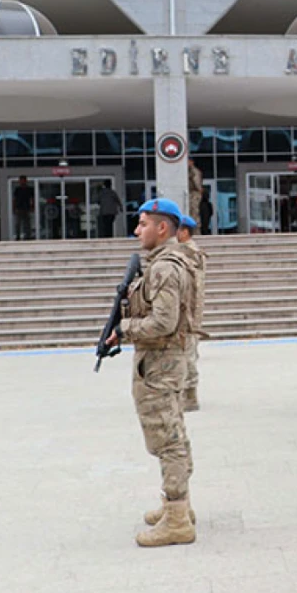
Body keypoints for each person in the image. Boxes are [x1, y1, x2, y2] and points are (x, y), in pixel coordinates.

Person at [103, 198, 197, 547]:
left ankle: (177, 519)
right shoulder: (164, 262)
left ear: (162, 228)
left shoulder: (165, 267)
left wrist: (126, 328)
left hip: (160, 365)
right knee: (173, 434)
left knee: (168, 440)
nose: (136, 230)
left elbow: (163, 321)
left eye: (142, 224)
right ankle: (179, 506)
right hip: (162, 364)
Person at [176, 215, 209, 412]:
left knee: (187, 352)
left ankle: (189, 394)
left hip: (187, 311)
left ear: (185, 232)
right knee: (188, 351)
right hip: (189, 311)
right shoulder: (190, 251)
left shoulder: (188, 253)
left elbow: (192, 287)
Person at [12, 175, 32, 241]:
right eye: (21, 180)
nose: (22, 181)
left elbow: (32, 199)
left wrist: (32, 207)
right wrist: (14, 208)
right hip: (19, 208)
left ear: (26, 181)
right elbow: (14, 199)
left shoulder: (29, 189)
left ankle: (27, 236)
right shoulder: (17, 189)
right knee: (18, 223)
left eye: (23, 180)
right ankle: (17, 236)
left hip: (26, 208)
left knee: (27, 223)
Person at [187, 160, 203, 233]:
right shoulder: (189, 171)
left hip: (194, 193)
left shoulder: (194, 171)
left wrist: (199, 189)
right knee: (191, 212)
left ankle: (196, 230)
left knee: (194, 212)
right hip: (191, 193)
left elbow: (196, 182)